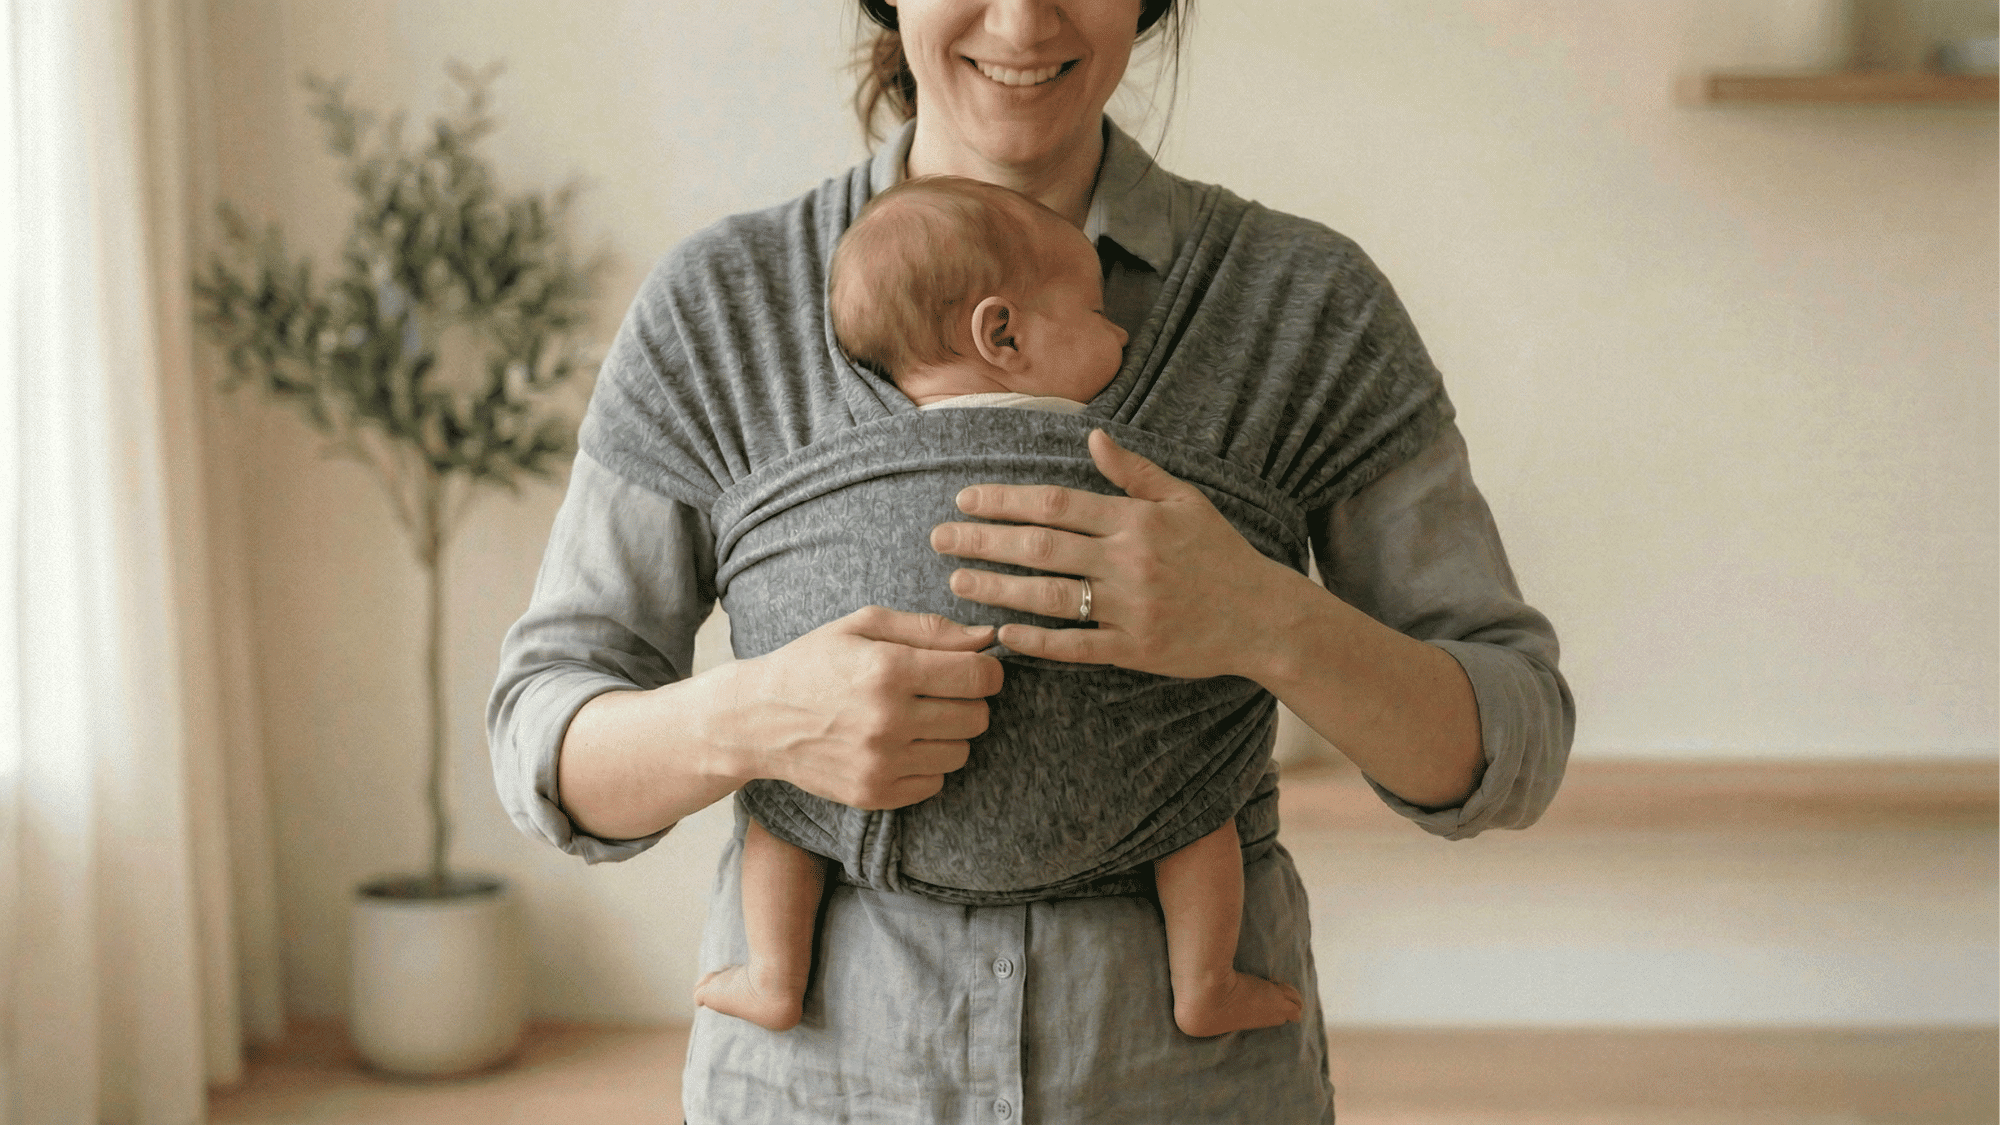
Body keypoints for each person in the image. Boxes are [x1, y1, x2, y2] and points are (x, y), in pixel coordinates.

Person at [489, 1, 1574, 1119]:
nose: (1020, 15)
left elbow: (1512, 740)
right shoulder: (722, 307)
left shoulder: (1301, 306)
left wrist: (1264, 618)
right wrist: (756, 718)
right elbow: (542, 734)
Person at [691, 173, 1303, 1039]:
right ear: (1003, 333)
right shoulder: (1112, 456)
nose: (1121, 331)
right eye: (1097, 311)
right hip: (1120, 797)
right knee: (1202, 796)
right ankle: (1204, 981)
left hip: (868, 818)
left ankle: (774, 974)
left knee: (781, 807)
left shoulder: (830, 473)